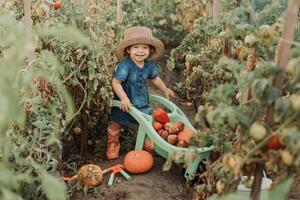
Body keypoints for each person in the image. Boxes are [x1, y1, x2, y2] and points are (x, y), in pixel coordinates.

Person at [106, 26, 176, 160]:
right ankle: (113, 143)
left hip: (141, 101)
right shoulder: (125, 65)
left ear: (150, 50)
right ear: (128, 50)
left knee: (146, 122)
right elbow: (116, 82)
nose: (140, 51)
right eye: (136, 47)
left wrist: (165, 89)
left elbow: (155, 78)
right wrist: (124, 98)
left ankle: (147, 141)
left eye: (145, 48)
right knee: (116, 122)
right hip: (125, 102)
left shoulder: (149, 66)